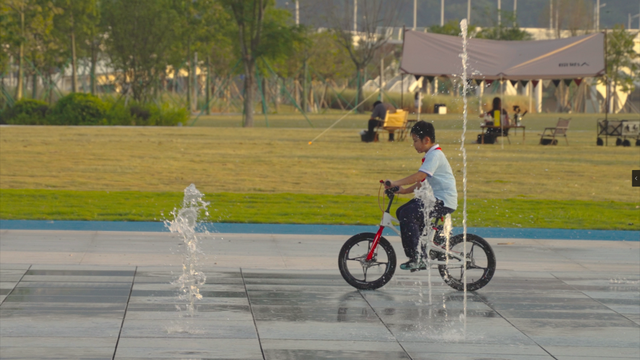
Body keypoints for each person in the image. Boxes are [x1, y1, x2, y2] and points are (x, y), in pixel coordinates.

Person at [384, 121, 457, 270]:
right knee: (401, 212)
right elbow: (423, 182)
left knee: (406, 213)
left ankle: (417, 257)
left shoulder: (435, 155)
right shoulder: (432, 155)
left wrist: (395, 182)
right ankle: (429, 243)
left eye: (415, 141)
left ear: (426, 140)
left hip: (444, 201)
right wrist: (403, 190)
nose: (414, 145)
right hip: (436, 199)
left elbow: (420, 176)